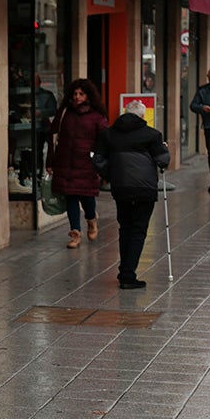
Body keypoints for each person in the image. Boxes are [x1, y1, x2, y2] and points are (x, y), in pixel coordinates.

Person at [91, 101, 170, 289]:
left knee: (125, 227)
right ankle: (128, 274)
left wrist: (110, 175)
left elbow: (97, 159)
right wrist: (164, 148)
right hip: (145, 189)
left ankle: (124, 271)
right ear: (142, 117)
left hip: (121, 187)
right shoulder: (152, 135)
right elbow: (163, 161)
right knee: (138, 230)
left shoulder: (108, 134)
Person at [47, 78, 109, 249]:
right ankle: (75, 233)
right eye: (74, 93)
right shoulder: (64, 113)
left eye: (81, 94)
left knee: (87, 197)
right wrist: (50, 162)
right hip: (65, 162)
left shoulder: (97, 116)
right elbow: (53, 137)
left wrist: (100, 164)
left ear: (88, 96)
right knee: (71, 198)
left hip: (87, 164)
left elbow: (104, 141)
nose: (77, 97)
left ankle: (91, 220)